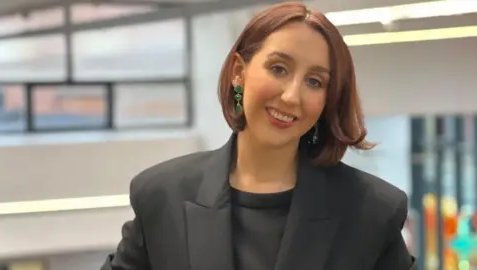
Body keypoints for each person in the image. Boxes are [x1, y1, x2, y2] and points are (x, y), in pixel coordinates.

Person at [101, 2, 416, 270]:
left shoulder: (372, 212)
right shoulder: (162, 196)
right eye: (279, 69)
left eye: (315, 82)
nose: (292, 96)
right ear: (239, 72)